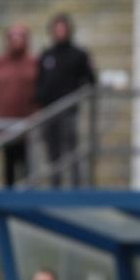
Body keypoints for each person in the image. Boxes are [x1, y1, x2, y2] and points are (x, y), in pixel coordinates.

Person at [35, 13, 95, 187]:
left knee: (72, 152)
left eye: (63, 28)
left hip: (69, 112)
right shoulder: (46, 55)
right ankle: (55, 188)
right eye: (57, 29)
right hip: (48, 113)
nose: (60, 32)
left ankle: (76, 187)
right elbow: (40, 82)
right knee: (53, 155)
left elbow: (90, 80)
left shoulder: (79, 55)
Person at [0, 24, 37, 187]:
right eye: (13, 37)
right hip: (5, 122)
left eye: (20, 37)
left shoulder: (33, 62)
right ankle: (9, 201)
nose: (16, 41)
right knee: (8, 163)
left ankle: (29, 203)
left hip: (27, 123)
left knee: (27, 165)